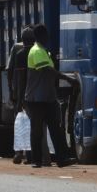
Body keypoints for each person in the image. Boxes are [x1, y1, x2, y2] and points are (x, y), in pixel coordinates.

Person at [23, 24, 75, 168]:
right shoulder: (37, 51)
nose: (48, 38)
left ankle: (62, 159)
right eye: (46, 35)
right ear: (41, 36)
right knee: (37, 130)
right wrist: (68, 79)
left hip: (47, 97)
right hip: (37, 98)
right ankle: (36, 160)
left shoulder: (44, 51)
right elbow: (47, 70)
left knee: (56, 129)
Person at [7, 27, 34, 164]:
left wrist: (11, 90)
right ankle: (29, 155)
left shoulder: (17, 50)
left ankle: (18, 153)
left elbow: (9, 70)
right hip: (32, 93)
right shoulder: (37, 51)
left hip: (20, 92)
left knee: (20, 124)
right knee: (31, 123)